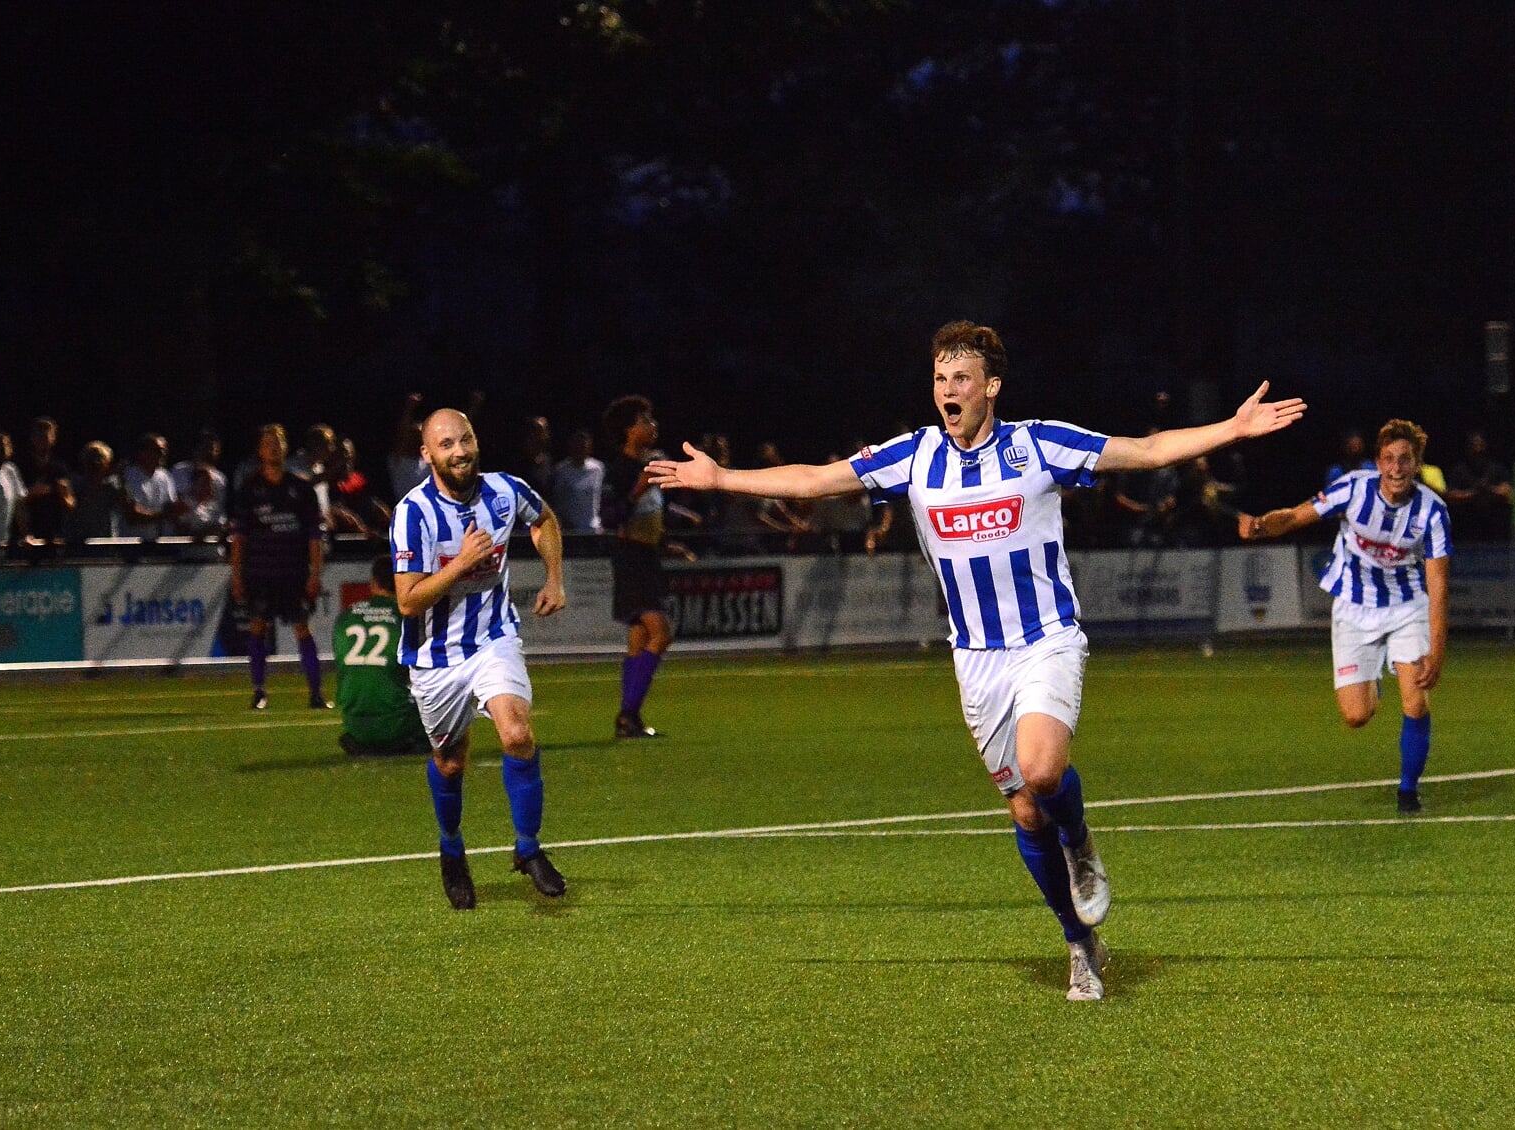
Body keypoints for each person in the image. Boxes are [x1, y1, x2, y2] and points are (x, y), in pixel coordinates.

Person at [649, 319, 1306, 1002]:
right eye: (939, 378)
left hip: (1044, 638)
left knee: (1044, 769)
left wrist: (1230, 428)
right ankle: (1079, 944)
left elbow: (1142, 452)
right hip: (976, 658)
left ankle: (1079, 843)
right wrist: (721, 476)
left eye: (961, 378)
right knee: (1024, 811)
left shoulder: (1038, 444)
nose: (947, 390)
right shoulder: (913, 455)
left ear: (991, 385)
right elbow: (816, 480)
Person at [391, 408, 568, 910]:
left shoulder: (504, 490)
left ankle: (528, 848)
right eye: (446, 444)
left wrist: (554, 577)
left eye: (465, 439)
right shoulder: (413, 513)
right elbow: (407, 600)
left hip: (493, 636)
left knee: (517, 733)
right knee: (450, 763)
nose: (460, 451)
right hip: (436, 656)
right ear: (428, 455)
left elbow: (545, 519)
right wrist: (462, 565)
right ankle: (451, 850)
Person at [1237, 419, 1451, 813]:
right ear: (1378, 463)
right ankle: (1373, 685)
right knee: (1356, 716)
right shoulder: (1353, 489)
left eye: (1406, 459)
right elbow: (1297, 515)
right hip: (1353, 607)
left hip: (1408, 608)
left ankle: (1408, 791)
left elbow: (1438, 585)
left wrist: (1437, 651)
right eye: (1389, 459)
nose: (1397, 468)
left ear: (1417, 463)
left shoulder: (1432, 511)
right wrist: (1262, 526)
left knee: (1416, 702)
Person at [228, 424, 330, 711]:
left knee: (302, 628)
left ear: (285, 448)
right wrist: (236, 575)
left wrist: (315, 574)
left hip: (293, 572)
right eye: (267, 443)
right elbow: (239, 537)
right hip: (260, 571)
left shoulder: (301, 487)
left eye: (278, 442)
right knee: (258, 627)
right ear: (260, 450)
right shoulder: (249, 489)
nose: (273, 447)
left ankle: (315, 694)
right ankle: (259, 692)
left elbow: (314, 536)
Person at [601, 395, 676, 738]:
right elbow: (610, 517)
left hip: (647, 555)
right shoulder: (619, 470)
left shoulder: (650, 465)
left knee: (640, 638)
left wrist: (667, 539)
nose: (652, 426)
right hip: (631, 558)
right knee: (661, 632)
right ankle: (627, 713)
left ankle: (628, 719)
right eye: (644, 421)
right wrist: (637, 489)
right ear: (629, 431)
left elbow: (653, 513)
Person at [333, 555, 429, 757]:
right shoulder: (407, 617)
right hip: (397, 723)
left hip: (354, 723)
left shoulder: (347, 615)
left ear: (373, 582)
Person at [1443, 430, 1514, 539]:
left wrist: (1489, 490)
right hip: (1466, 529)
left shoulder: (1497, 468)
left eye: (1480, 445)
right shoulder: (1459, 470)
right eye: (1474, 446)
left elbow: (1507, 492)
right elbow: (1450, 495)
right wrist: (1474, 493)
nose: (1478, 449)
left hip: (1496, 529)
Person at [17, 417, 74, 552]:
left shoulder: (59, 469)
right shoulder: (22, 467)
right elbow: (15, 502)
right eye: (39, 434)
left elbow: (71, 504)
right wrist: (31, 493)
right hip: (28, 538)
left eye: (47, 434)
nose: (43, 438)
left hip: (54, 538)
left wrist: (64, 496)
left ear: (53, 438)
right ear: (32, 438)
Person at [121, 432, 184, 541]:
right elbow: (132, 516)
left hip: (157, 542)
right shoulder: (128, 476)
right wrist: (163, 516)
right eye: (157, 450)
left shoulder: (165, 476)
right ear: (142, 452)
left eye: (164, 450)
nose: (162, 454)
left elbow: (171, 506)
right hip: (130, 543)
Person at [171, 429, 229, 538]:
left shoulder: (220, 478)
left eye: (214, 449)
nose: (210, 453)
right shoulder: (179, 470)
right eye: (206, 448)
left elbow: (220, 511)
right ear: (197, 448)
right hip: (185, 541)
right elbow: (176, 507)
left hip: (211, 541)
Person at [548, 427, 605, 536]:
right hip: (570, 530)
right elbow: (557, 499)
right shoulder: (561, 470)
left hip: (592, 528)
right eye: (577, 446)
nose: (580, 449)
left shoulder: (598, 468)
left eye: (583, 446)